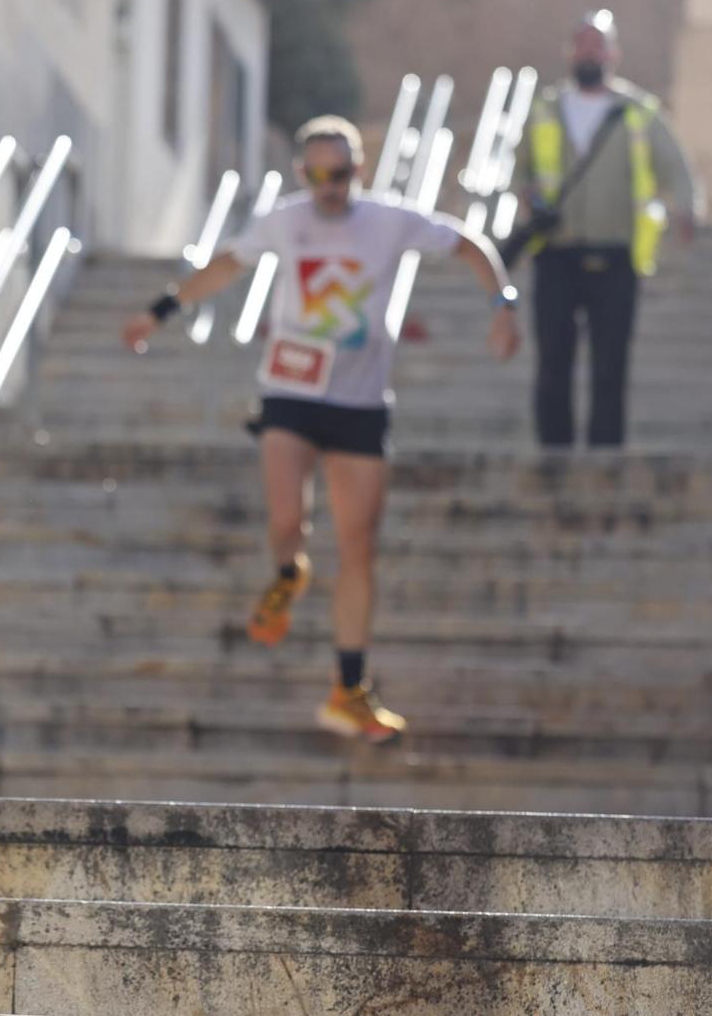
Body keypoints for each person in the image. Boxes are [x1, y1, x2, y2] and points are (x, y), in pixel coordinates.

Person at [121, 117, 520, 742]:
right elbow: (226, 265)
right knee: (287, 520)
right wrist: (159, 311)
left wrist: (502, 305)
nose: (330, 186)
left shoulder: (389, 220)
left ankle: (348, 690)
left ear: (359, 168)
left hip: (360, 403)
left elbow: (469, 243)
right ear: (303, 174)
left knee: (358, 548)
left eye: (342, 173)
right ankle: (288, 572)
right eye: (317, 175)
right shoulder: (286, 219)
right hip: (291, 392)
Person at [513, 10, 697, 448]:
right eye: (582, 43)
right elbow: (520, 172)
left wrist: (688, 211)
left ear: (613, 53)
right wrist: (531, 199)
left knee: (610, 360)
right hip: (556, 251)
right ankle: (553, 451)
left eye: (598, 44)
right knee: (553, 357)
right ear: (569, 52)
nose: (589, 52)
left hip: (617, 253)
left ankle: (605, 454)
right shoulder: (545, 109)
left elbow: (675, 166)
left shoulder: (638, 111)